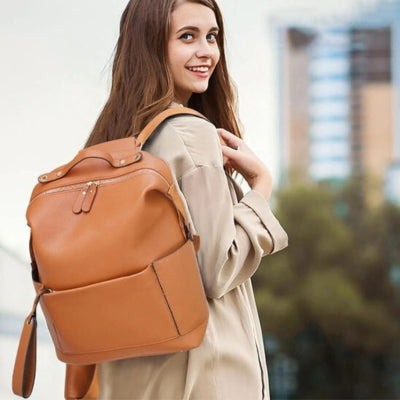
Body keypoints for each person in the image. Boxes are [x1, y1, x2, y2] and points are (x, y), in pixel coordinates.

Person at [85, 0, 288, 399]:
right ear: (151, 47)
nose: (207, 52)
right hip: (205, 374)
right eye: (187, 37)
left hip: (129, 374)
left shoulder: (114, 142)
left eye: (212, 36)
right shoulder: (189, 133)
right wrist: (260, 186)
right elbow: (217, 267)